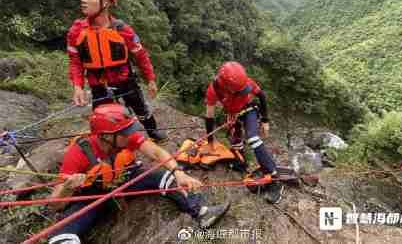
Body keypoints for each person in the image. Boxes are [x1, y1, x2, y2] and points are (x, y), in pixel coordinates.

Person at [48, 103, 230, 244]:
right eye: (124, 133)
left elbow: (157, 153)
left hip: (124, 179)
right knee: (61, 236)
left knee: (164, 177)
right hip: (93, 196)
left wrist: (178, 172)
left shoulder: (125, 138)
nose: (130, 135)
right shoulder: (78, 153)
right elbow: (55, 204)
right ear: (105, 135)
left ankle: (202, 213)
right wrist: (66, 188)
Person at [66, 0, 167, 143]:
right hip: (97, 83)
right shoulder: (76, 31)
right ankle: (109, 147)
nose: (83, 1)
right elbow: (75, 61)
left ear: (105, 2)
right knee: (101, 117)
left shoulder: (122, 30)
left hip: (124, 80)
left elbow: (141, 56)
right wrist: (78, 86)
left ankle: (153, 131)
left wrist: (151, 79)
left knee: (140, 108)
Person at [204, 61, 283, 204]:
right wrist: (210, 141)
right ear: (226, 87)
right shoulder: (214, 90)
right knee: (236, 145)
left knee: (253, 139)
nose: (243, 90)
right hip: (234, 115)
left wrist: (265, 120)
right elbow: (209, 115)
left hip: (249, 110)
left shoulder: (244, 82)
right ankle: (243, 165)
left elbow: (262, 96)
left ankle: (275, 179)